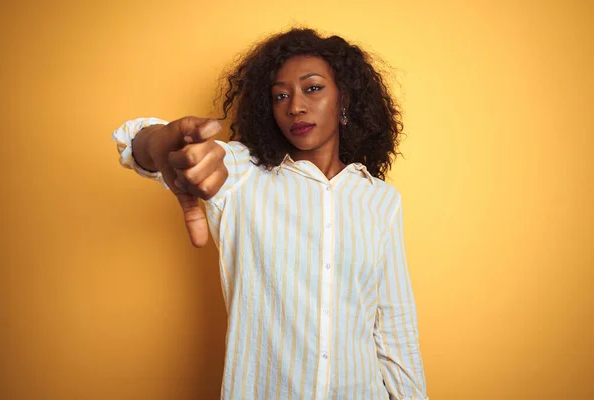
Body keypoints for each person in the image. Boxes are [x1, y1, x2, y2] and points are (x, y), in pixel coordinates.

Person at [111, 27, 429, 400]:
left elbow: (395, 329)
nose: (295, 105)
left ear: (345, 98)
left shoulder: (380, 200)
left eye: (312, 88)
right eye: (281, 95)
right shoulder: (241, 174)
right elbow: (145, 145)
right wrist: (160, 143)